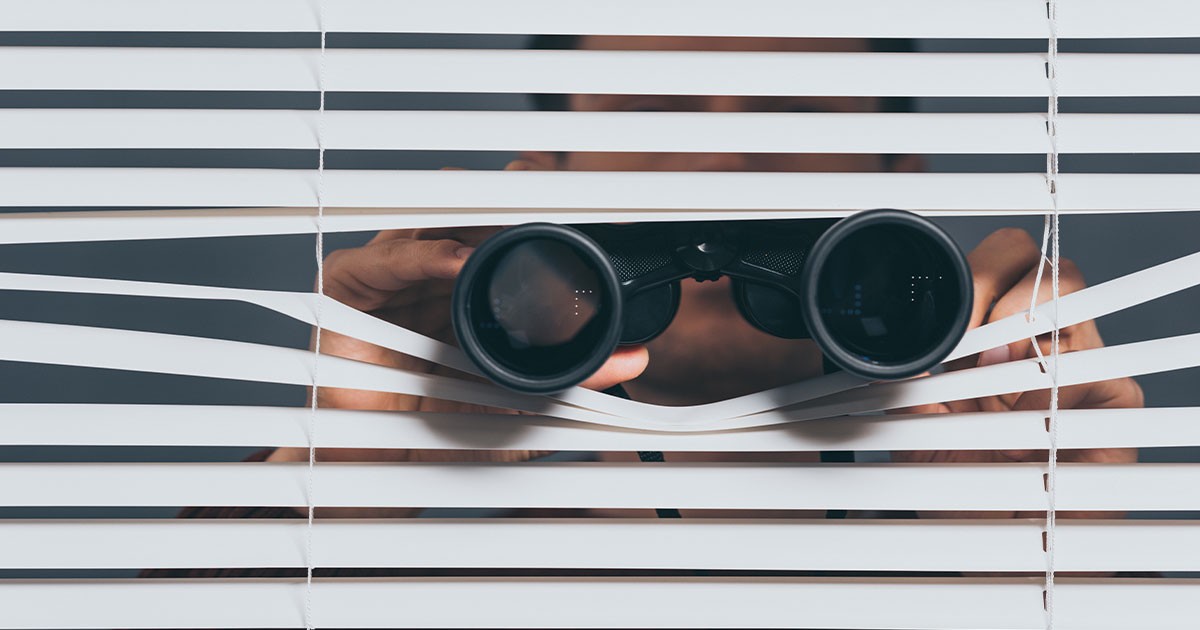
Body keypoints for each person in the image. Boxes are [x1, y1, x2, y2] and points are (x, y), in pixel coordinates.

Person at [144, 34, 1142, 579]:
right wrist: (329, 473)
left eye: (795, 113)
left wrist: (1080, 562)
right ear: (537, 180)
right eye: (650, 109)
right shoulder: (413, 559)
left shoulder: (1006, 541)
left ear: (900, 182)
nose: (721, 161)